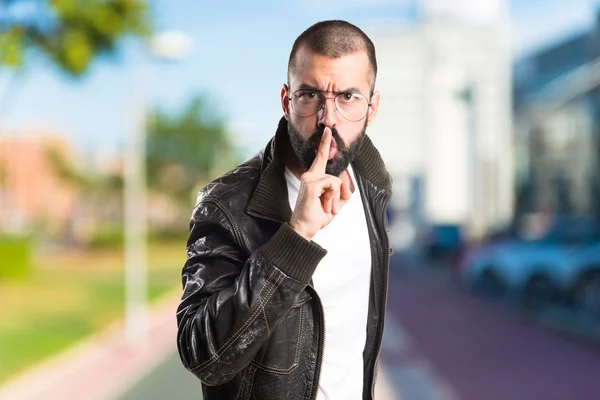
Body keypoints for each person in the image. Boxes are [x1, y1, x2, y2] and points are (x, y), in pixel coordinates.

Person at [176, 20, 392, 400]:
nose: (329, 118)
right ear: (286, 100)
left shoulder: (372, 182)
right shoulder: (226, 205)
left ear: (371, 107)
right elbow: (202, 356)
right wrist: (294, 238)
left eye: (348, 97)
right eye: (310, 95)